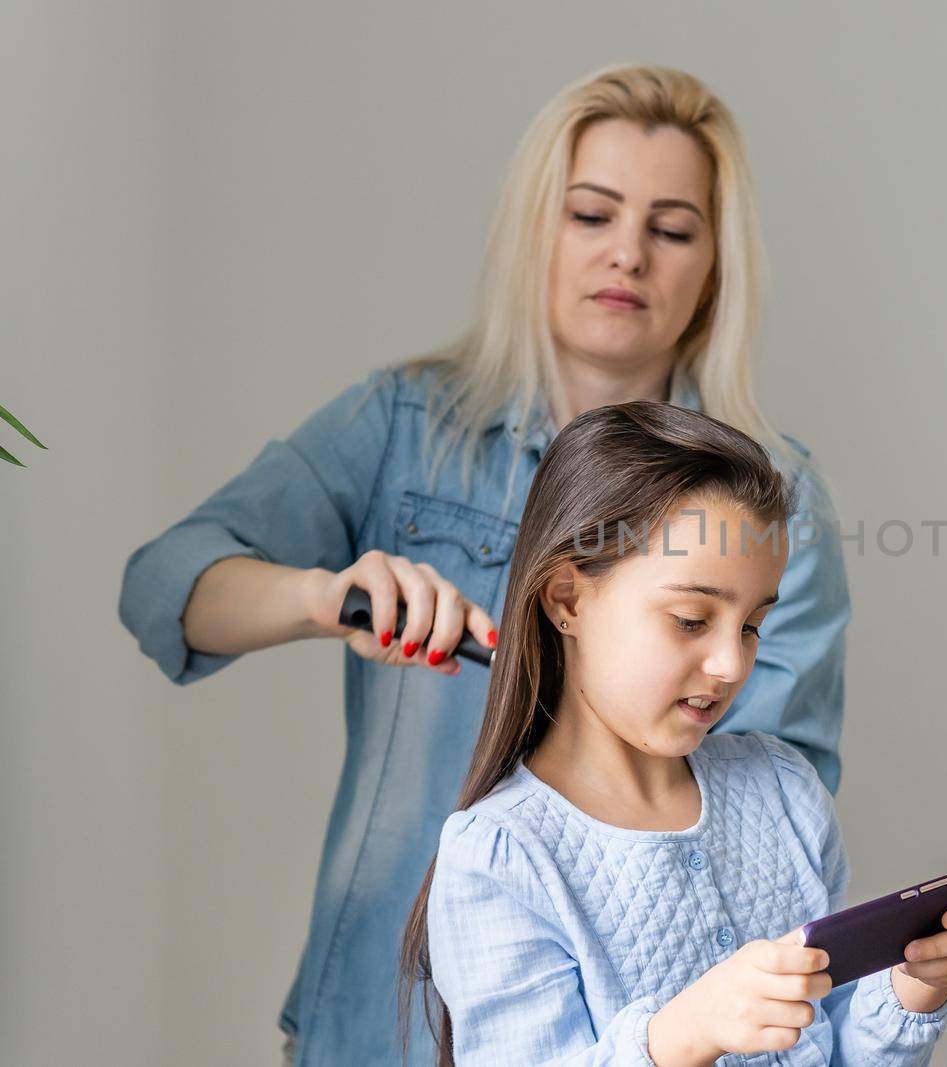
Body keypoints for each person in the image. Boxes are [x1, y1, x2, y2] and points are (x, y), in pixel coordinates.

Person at [117, 64, 851, 1066]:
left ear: (715, 264)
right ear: (535, 230)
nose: (627, 254)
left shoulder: (774, 498)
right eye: (591, 213)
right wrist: (322, 598)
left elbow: (769, 810)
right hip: (377, 1018)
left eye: (672, 229)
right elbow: (166, 585)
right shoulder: (404, 426)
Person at [404, 401, 947, 1066]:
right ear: (568, 600)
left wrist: (911, 986)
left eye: (751, 625)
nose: (732, 663)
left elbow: (836, 1050)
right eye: (691, 619)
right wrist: (682, 1034)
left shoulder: (782, 791)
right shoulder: (501, 856)